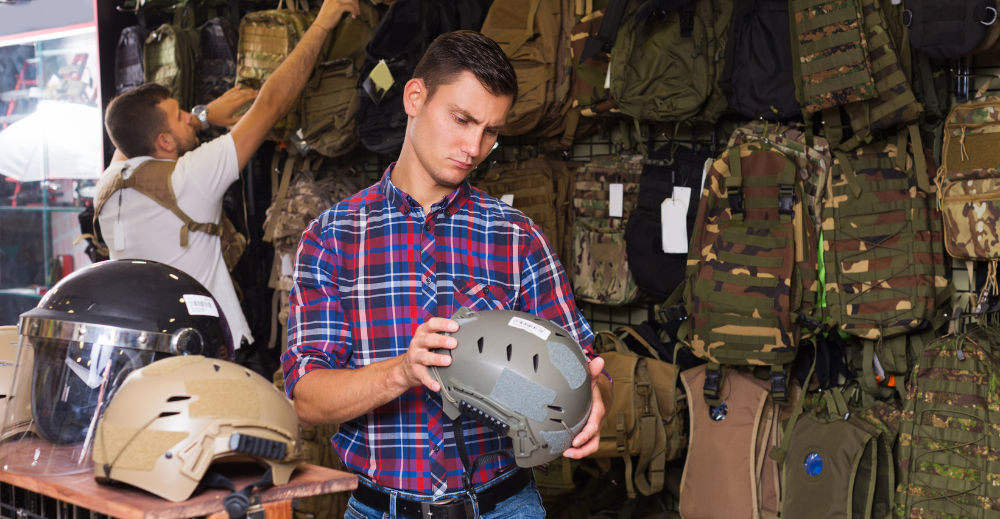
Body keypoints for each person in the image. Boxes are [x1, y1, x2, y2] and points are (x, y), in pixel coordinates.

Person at [282, 30, 611, 519]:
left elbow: (582, 365)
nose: (474, 146)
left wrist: (594, 402)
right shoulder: (332, 237)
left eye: (491, 131)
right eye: (461, 119)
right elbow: (306, 396)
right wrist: (402, 371)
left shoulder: (517, 236)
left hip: (504, 506)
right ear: (415, 98)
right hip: (379, 509)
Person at [96, 0, 361, 348]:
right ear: (163, 141)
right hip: (209, 346)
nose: (189, 118)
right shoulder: (191, 178)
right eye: (180, 116)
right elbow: (271, 104)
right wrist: (323, 23)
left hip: (151, 345)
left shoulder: (107, 186)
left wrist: (203, 116)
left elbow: (125, 130)